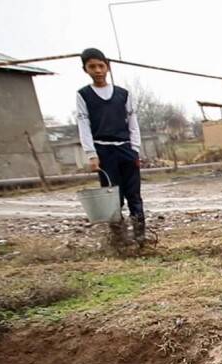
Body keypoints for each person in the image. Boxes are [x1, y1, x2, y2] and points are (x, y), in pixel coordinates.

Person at [76, 48, 146, 244]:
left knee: (134, 194)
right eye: (92, 67)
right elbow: (84, 124)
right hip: (103, 151)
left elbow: (133, 123)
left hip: (125, 148)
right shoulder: (84, 95)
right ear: (85, 69)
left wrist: (135, 149)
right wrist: (91, 153)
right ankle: (120, 240)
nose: (97, 70)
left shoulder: (123, 94)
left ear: (107, 67)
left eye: (101, 66)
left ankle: (141, 237)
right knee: (112, 197)